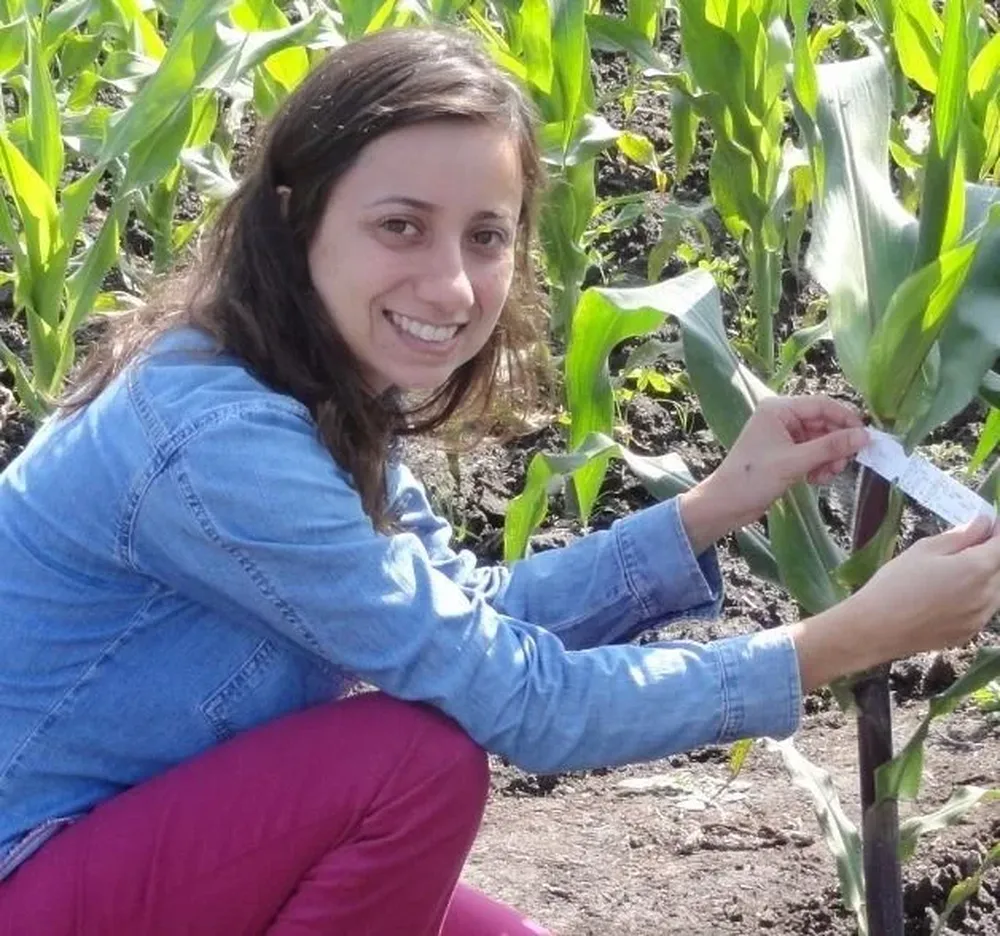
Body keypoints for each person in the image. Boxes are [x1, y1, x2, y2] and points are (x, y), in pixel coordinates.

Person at [1, 24, 999, 936]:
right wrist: (845, 641)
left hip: (131, 840)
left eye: (486, 235)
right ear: (292, 219)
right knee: (407, 766)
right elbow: (523, 703)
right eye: (401, 226)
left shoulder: (313, 380)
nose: (453, 284)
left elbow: (461, 619)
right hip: (34, 878)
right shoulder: (219, 439)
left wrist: (710, 508)